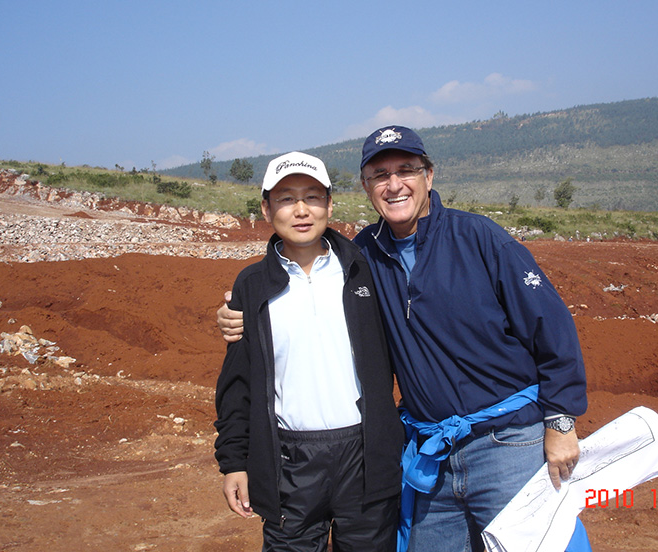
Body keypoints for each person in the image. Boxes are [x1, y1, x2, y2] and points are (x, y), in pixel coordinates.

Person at [218, 129, 589, 552]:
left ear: (429, 176)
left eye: (406, 170)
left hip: (505, 443)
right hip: (431, 455)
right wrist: (235, 311)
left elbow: (551, 327)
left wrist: (561, 422)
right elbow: (247, 367)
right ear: (366, 187)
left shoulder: (476, 238)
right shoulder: (364, 256)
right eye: (380, 175)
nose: (394, 185)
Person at [214, 151, 404, 552]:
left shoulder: (364, 270)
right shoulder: (252, 285)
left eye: (313, 197)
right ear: (266, 209)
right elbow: (237, 383)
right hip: (289, 461)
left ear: (330, 205)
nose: (301, 210)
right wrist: (233, 462)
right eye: (286, 199)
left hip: (365, 455)